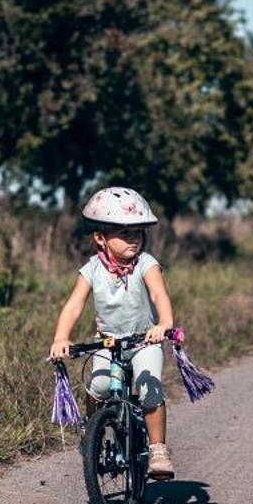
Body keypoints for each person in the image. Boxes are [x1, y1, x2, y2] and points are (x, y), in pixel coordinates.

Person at [49, 186, 179, 478]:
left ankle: (158, 449)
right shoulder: (92, 269)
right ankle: (92, 431)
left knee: (149, 390)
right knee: (100, 388)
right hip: (107, 343)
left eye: (138, 232)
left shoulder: (146, 264)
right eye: (124, 233)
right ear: (100, 237)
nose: (134, 239)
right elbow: (73, 306)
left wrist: (164, 324)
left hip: (145, 340)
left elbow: (159, 295)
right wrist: (61, 337)